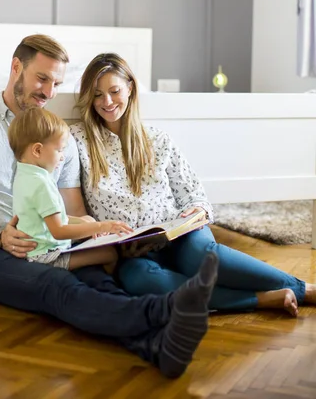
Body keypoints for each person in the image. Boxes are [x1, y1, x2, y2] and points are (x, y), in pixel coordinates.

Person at [0, 33, 219, 379]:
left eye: (56, 83)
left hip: (51, 242)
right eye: (42, 78)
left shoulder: (56, 138)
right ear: (16, 67)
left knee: (101, 283)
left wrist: (109, 234)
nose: (49, 92)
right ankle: (162, 310)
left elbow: (72, 211)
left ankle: (157, 348)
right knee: (59, 287)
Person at [71, 52, 316, 317]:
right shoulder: (78, 142)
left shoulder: (157, 139)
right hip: (132, 255)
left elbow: (196, 196)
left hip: (179, 236)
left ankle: (304, 289)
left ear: (130, 88)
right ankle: (261, 299)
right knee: (139, 282)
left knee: (203, 256)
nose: (106, 102)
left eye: (114, 91)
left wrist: (197, 211)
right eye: (96, 94)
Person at [8, 106, 133, 272]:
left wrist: (85, 222)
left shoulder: (24, 173)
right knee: (110, 254)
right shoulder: (42, 184)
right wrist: (104, 227)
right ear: (37, 150)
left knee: (88, 220)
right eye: (59, 150)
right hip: (46, 256)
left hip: (37, 247)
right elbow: (58, 231)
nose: (62, 156)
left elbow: (48, 218)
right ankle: (103, 282)